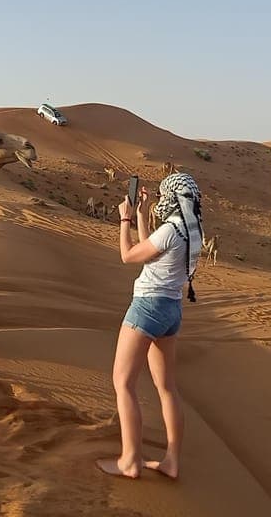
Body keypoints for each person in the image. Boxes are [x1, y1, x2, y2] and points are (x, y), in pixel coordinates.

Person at [96, 172, 204, 479]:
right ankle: (172, 461)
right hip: (171, 311)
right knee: (167, 387)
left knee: (123, 383)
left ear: (171, 198)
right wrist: (143, 215)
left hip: (147, 307)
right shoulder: (193, 231)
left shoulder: (170, 230)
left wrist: (125, 219)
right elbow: (151, 251)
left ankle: (130, 460)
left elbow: (129, 255)